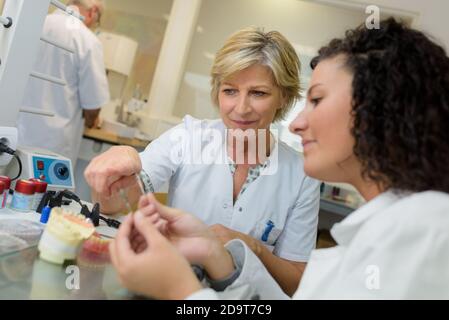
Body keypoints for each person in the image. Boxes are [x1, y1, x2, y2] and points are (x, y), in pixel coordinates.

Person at [108, 18, 449, 299]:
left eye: (316, 100)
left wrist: (179, 291)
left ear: (378, 112)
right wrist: (211, 252)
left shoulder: (423, 235)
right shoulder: (388, 232)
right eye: (230, 90)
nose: (298, 124)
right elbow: (119, 197)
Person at [85, 27, 321, 295]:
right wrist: (120, 163)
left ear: (285, 97)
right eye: (230, 91)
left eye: (258, 93)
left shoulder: (301, 175)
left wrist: (249, 246)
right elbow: (113, 203)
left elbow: (297, 282)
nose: (241, 108)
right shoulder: (189, 136)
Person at [17, 0, 110, 167]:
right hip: (52, 144)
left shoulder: (35, 22)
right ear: (93, 11)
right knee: (43, 191)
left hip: (14, 131)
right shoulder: (87, 41)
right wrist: (92, 121)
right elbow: (93, 105)